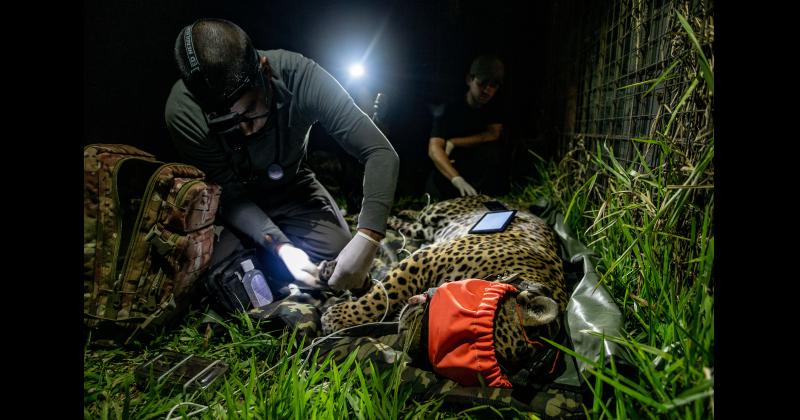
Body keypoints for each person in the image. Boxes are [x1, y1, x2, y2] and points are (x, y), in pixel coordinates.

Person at [164, 18, 398, 294]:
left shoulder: (301, 76)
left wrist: (368, 237)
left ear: (264, 70)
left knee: (340, 258)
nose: (246, 130)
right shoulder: (183, 111)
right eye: (226, 124)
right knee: (224, 279)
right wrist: (282, 247)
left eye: (249, 110)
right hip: (235, 205)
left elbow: (380, 152)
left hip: (293, 189)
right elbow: (229, 196)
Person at [425, 55, 506, 200]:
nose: (487, 90)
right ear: (469, 79)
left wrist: (454, 142)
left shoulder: (494, 108)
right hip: (448, 180)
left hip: (479, 183)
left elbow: (493, 134)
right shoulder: (449, 109)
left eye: (493, 85)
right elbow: (434, 149)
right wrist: (457, 179)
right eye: (482, 83)